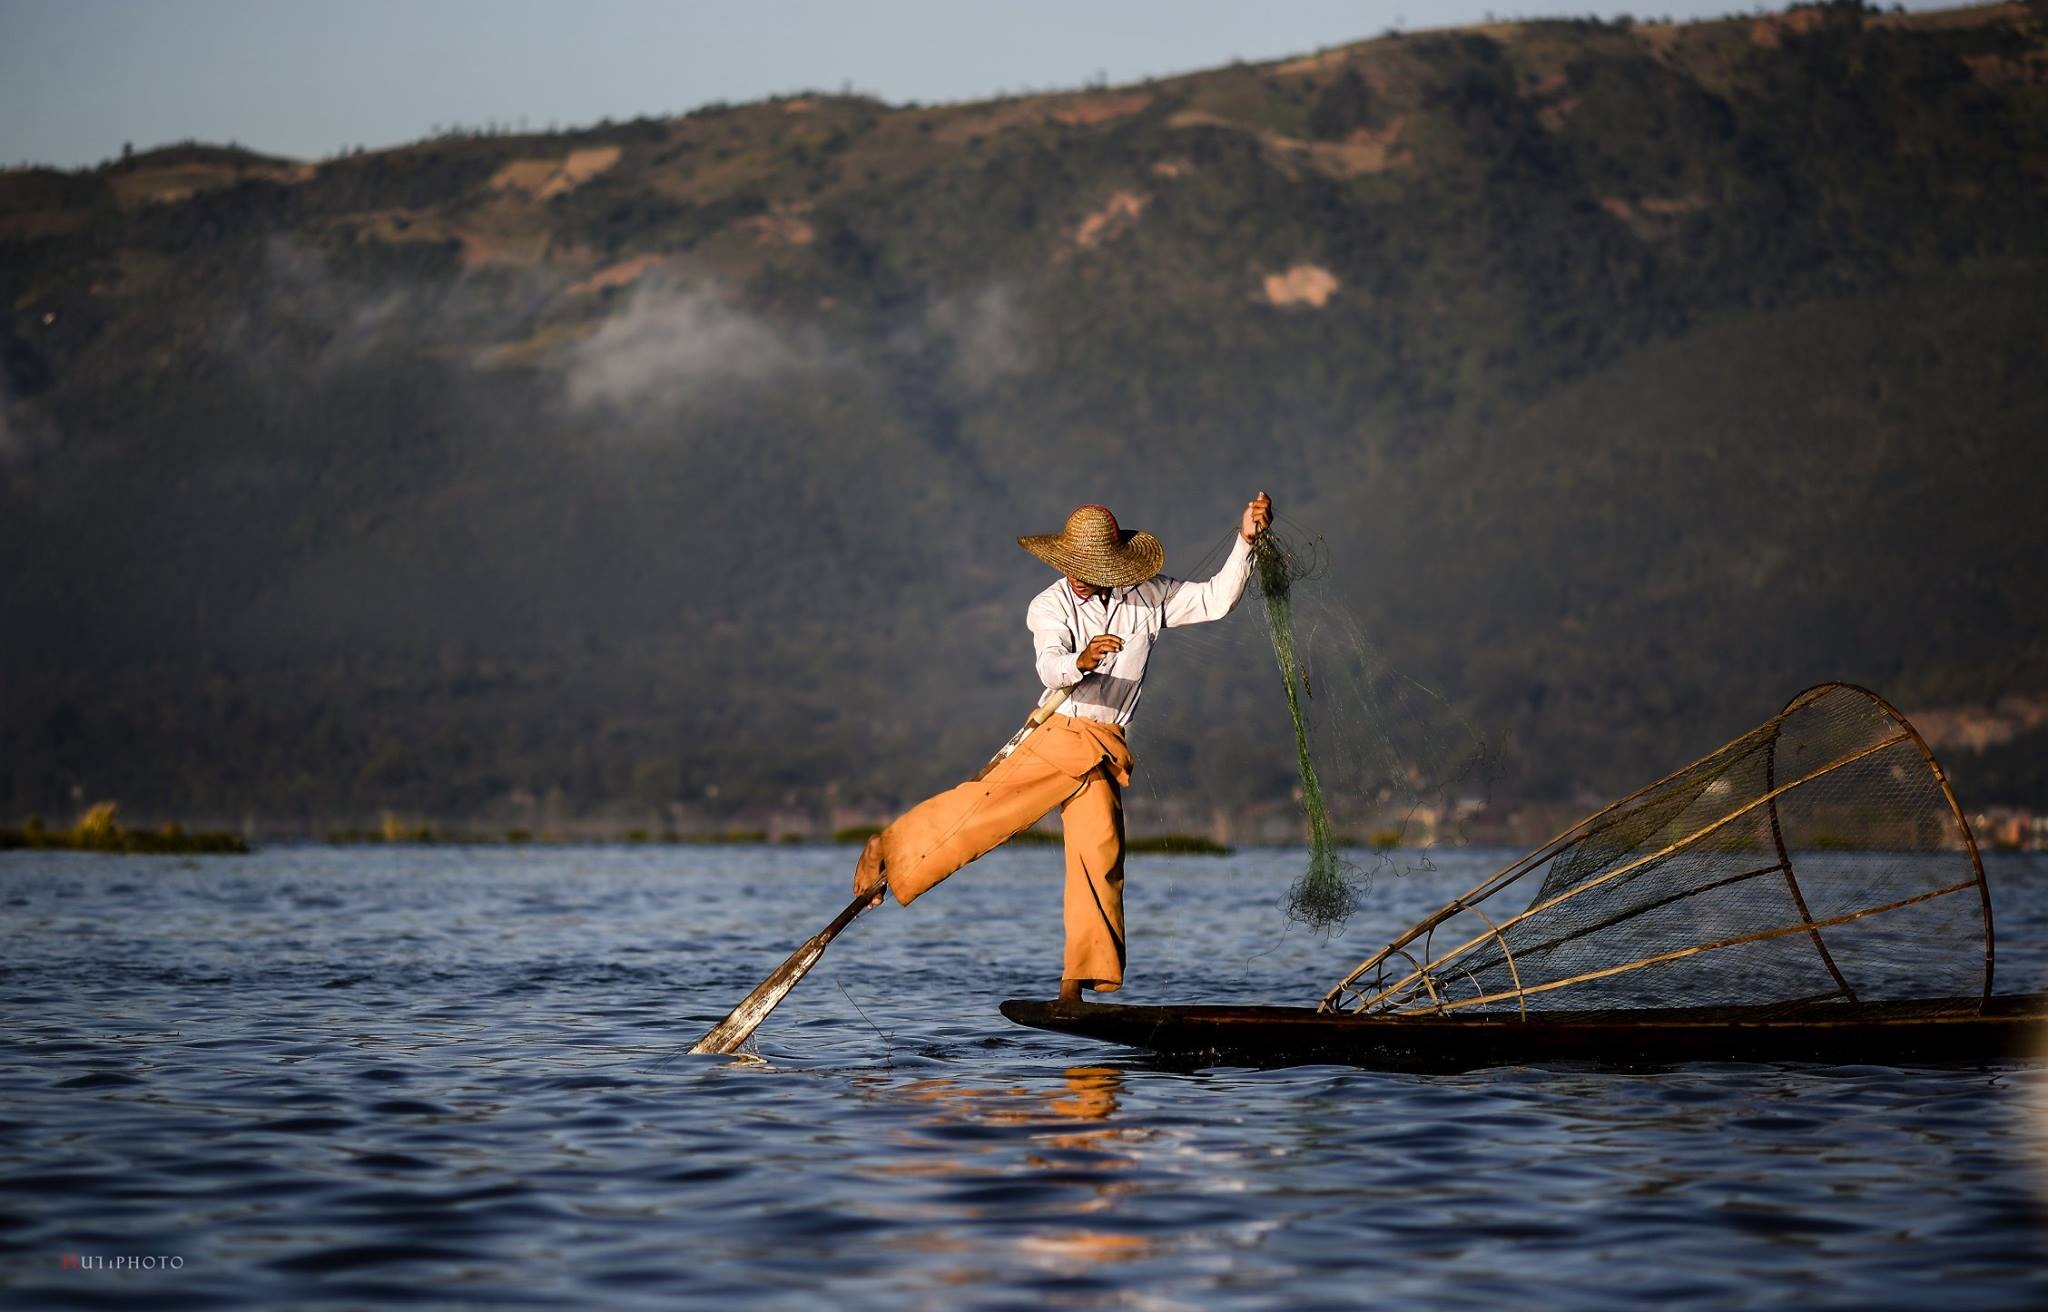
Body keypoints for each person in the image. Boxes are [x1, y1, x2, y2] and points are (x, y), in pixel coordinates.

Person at [854, 492, 1274, 1002]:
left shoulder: (1147, 594)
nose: (1079, 575)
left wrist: (1246, 540)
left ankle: (1074, 985)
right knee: (981, 811)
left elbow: (1214, 600)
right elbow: (1050, 667)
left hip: (1104, 745)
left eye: (1090, 567)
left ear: (1113, 567)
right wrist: (1083, 660)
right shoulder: (1048, 605)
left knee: (1100, 857)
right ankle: (887, 847)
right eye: (1072, 565)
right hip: (1059, 732)